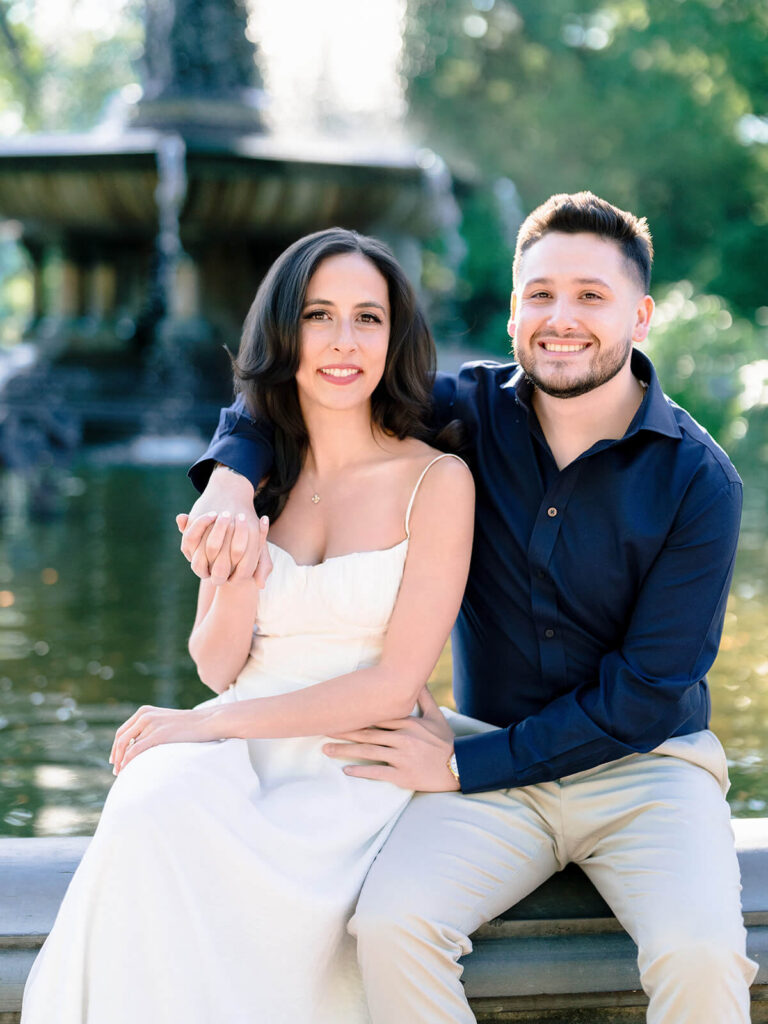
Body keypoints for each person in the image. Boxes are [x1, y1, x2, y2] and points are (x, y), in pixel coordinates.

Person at [183, 192, 758, 1024]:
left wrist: (457, 767)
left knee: (702, 955)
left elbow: (646, 692)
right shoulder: (464, 414)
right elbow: (306, 389)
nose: (562, 318)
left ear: (640, 314)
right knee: (389, 927)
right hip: (490, 773)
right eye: (541, 295)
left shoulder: (700, 482)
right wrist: (232, 482)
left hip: (646, 773)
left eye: (591, 297)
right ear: (516, 307)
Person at [20, 228, 475, 1024]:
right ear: (282, 334)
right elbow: (217, 663)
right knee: (149, 802)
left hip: (353, 761)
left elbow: (393, 683)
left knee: (218, 829)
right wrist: (231, 573)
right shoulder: (253, 477)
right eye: (318, 315)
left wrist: (209, 725)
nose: (343, 341)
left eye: (367, 318)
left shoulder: (436, 480)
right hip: (237, 740)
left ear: (394, 337)